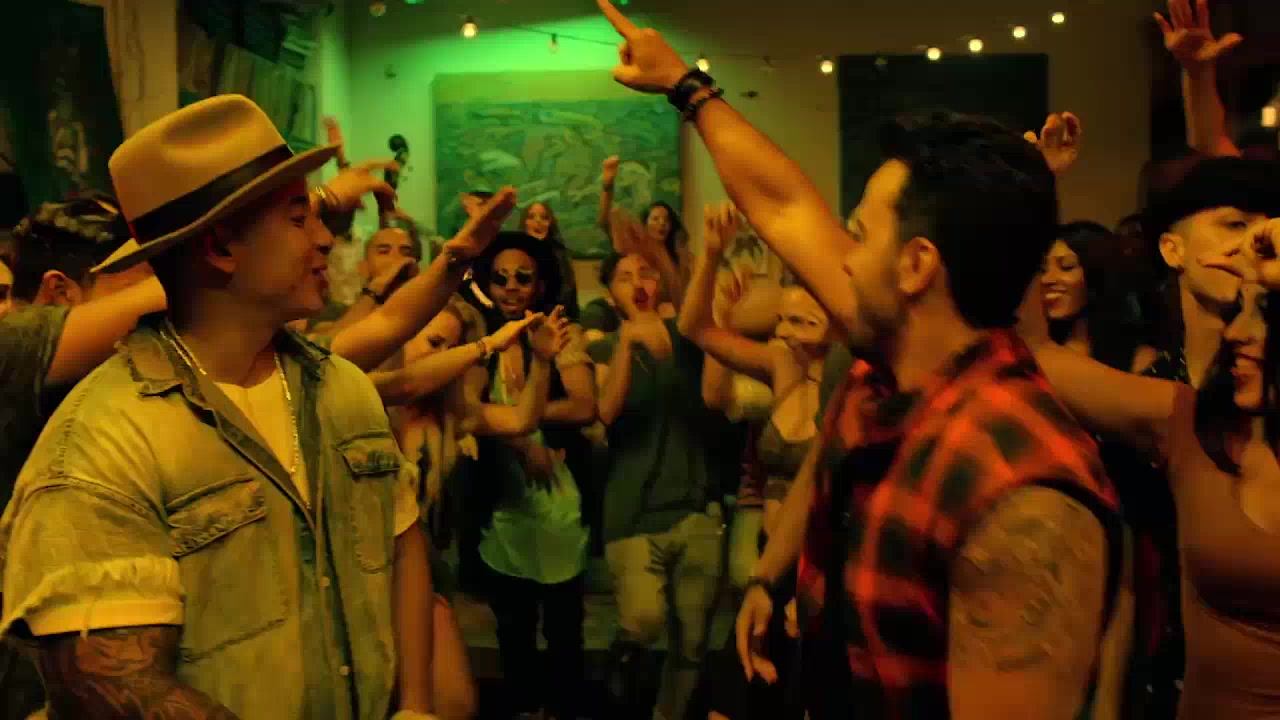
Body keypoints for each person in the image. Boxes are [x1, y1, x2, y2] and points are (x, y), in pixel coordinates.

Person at [594, 6, 1123, 719]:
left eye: (859, 235)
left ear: (916, 265)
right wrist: (685, 87)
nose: (839, 255)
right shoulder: (885, 367)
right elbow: (784, 206)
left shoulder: (1022, 489)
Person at [0, 94, 511, 719]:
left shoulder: (339, 386)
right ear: (221, 249)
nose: (325, 238)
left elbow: (401, 543)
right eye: (299, 219)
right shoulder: (105, 441)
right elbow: (115, 686)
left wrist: (415, 705)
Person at [1022, 216, 1280, 720]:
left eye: (1264, 316)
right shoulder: (1193, 429)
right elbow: (1036, 353)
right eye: (1238, 311)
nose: (1236, 333)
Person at [589, 244, 724, 720]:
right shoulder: (604, 347)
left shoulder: (689, 339)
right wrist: (628, 343)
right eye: (624, 277)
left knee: (693, 640)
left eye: (645, 273)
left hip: (695, 506)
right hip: (633, 511)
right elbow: (606, 411)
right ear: (610, 294)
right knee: (643, 621)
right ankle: (618, 699)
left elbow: (716, 398)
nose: (638, 283)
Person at [518, 202, 580, 318]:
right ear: (524, 223)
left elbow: (569, 300)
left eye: (544, 218)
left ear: (550, 224)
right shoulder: (514, 254)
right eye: (531, 217)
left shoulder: (560, 255)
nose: (538, 221)